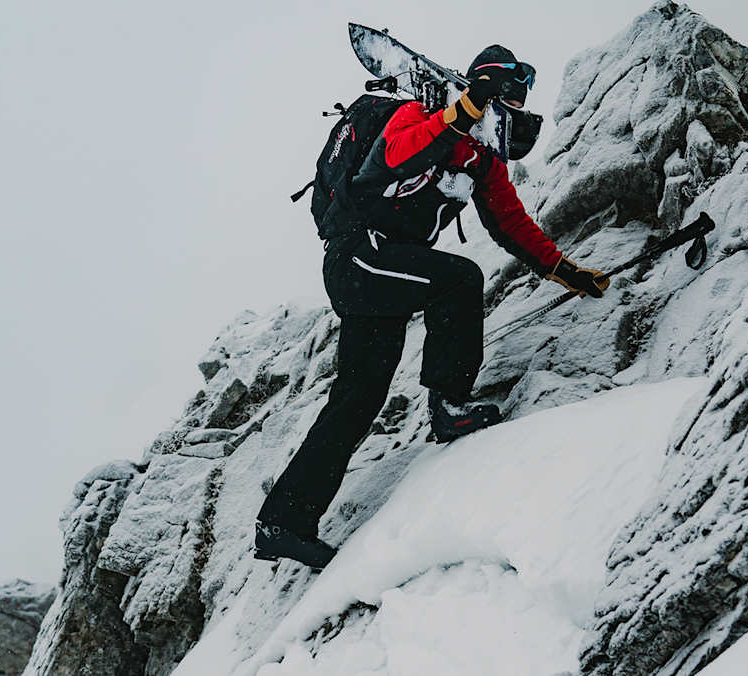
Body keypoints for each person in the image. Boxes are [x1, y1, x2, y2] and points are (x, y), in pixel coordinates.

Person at [255, 45, 611, 569]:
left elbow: (511, 223)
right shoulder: (421, 113)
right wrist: (457, 115)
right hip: (360, 254)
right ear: (492, 91)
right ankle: (449, 405)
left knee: (358, 398)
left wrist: (564, 270)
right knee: (460, 280)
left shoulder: (483, 159)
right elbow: (390, 159)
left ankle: (283, 522)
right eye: (511, 94)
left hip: (386, 274)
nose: (515, 106)